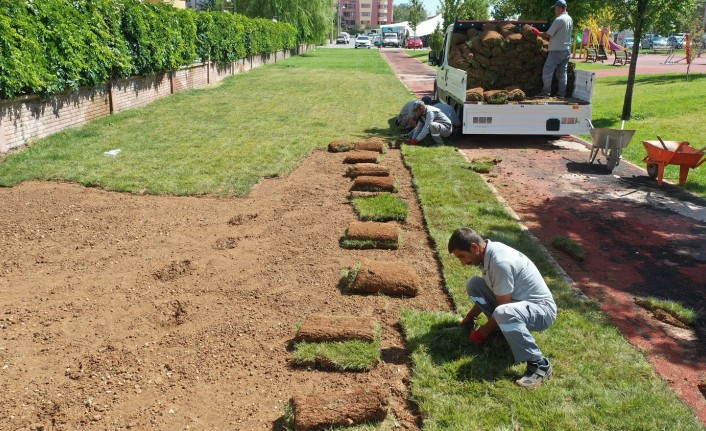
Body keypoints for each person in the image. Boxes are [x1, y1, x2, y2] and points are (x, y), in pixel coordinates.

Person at [448, 227, 557, 389]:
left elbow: (504, 306)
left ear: (474, 248)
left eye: (462, 257)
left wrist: (483, 332)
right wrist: (471, 317)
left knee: (502, 313)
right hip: (519, 304)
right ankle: (504, 330)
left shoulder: (500, 263)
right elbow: (495, 292)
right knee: (474, 285)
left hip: (542, 312)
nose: (462, 263)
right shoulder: (488, 254)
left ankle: (539, 364)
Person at [538, 0, 573, 98]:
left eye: (555, 8)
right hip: (566, 50)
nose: (555, 10)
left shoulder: (559, 20)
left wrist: (538, 33)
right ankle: (562, 94)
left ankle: (546, 93)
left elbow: (548, 34)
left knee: (547, 72)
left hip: (556, 50)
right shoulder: (569, 19)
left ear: (560, 8)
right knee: (562, 74)